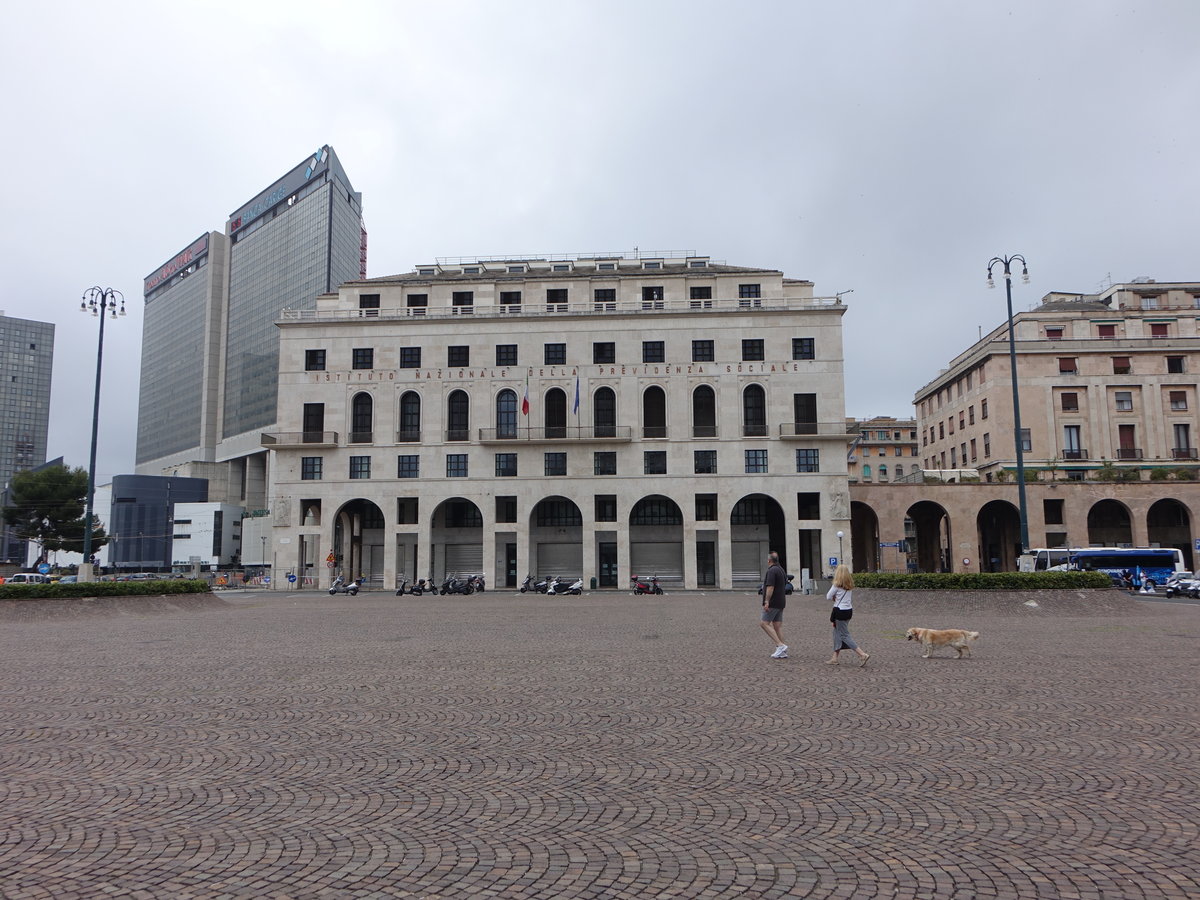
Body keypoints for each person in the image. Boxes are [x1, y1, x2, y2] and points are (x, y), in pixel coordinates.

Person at [826, 564, 870, 667]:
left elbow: (828, 596)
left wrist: (835, 598)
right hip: (848, 610)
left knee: (844, 635)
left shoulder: (836, 584)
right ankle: (834, 658)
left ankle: (862, 654)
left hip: (839, 611)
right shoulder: (849, 585)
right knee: (837, 633)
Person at [760, 550, 788, 659]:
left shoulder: (771, 571)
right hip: (781, 601)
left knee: (764, 623)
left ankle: (780, 645)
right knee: (777, 626)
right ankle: (782, 650)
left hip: (773, 602)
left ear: (769, 560)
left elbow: (770, 587)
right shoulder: (781, 570)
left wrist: (767, 601)